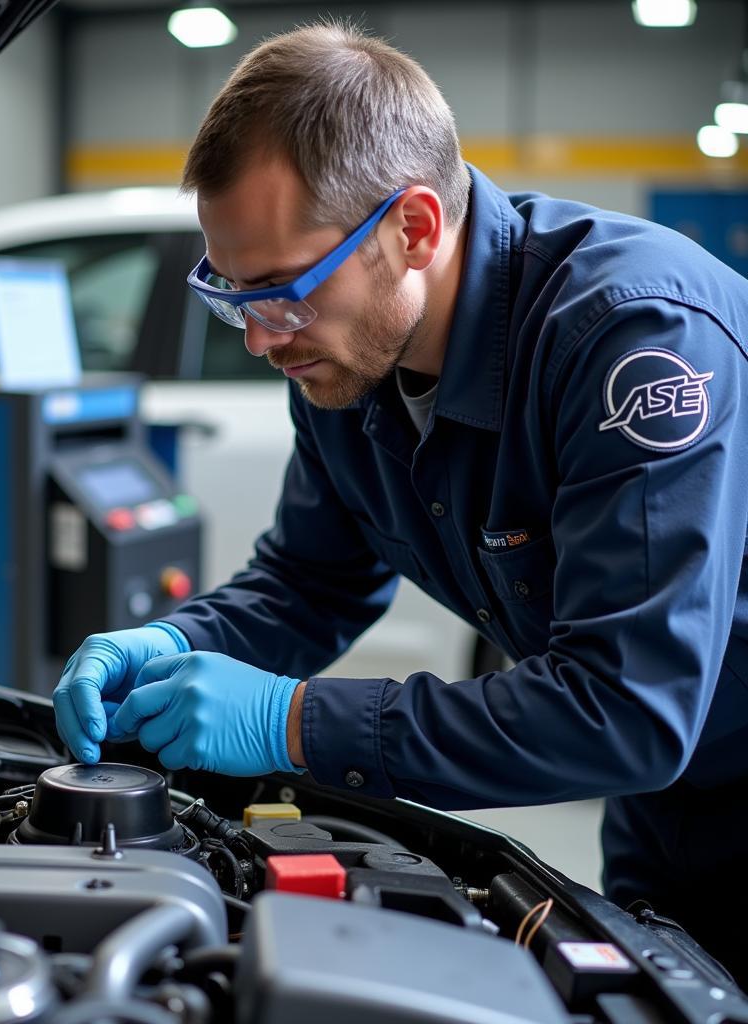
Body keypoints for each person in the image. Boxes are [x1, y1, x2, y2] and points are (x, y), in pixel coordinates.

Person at [54, 22, 748, 981]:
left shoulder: (631, 340)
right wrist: (181, 644)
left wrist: (296, 724)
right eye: (234, 295)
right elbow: (308, 583)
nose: (261, 337)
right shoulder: (347, 363)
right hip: (666, 811)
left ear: (413, 229)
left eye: (282, 289)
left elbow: (623, 707)